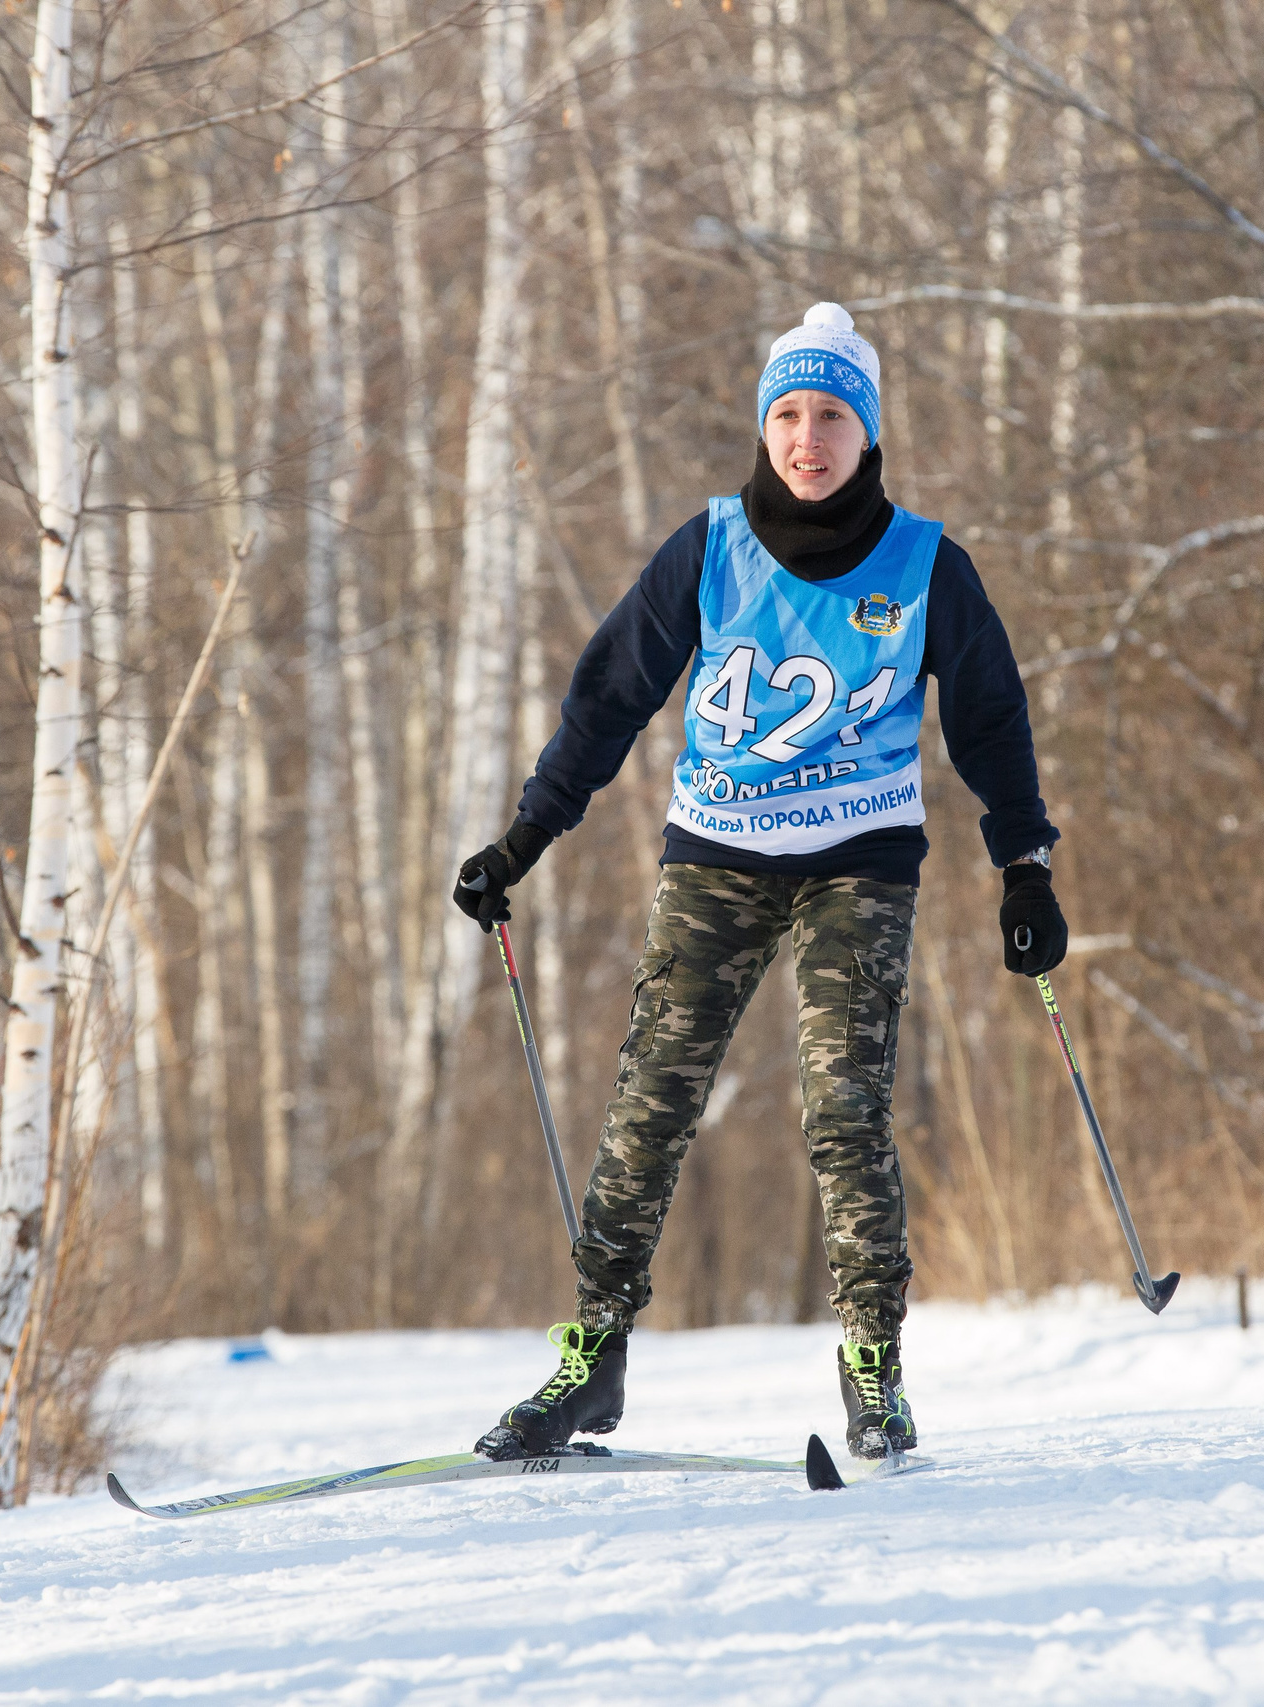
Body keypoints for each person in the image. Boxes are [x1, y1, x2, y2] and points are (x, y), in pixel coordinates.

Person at [449, 303, 1064, 1460]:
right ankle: (592, 1358)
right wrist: (523, 840)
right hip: (717, 856)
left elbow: (991, 723)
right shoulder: (710, 546)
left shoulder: (927, 565)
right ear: (764, 426)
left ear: (866, 434)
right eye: (787, 413)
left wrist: (1023, 867)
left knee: (844, 1110)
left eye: (831, 415)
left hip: (859, 861)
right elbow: (607, 701)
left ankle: (872, 1373)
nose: (806, 438)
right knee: (648, 1109)